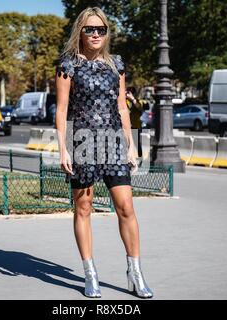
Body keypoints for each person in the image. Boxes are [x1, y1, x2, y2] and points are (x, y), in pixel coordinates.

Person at [55, 7, 153, 298]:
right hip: (81, 141)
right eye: (89, 29)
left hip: (113, 141)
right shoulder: (67, 65)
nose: (96, 34)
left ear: (107, 33)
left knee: (126, 207)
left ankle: (135, 273)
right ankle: (90, 273)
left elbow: (123, 107)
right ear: (80, 32)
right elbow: (61, 110)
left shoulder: (116, 64)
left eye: (101, 29)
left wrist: (131, 144)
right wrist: (63, 148)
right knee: (83, 208)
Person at [126, 86, 144, 158]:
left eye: (132, 92)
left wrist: (133, 99)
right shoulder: (124, 101)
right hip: (126, 126)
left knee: (137, 144)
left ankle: (140, 158)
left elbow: (140, 109)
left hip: (136, 126)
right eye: (129, 92)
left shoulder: (138, 101)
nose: (130, 94)